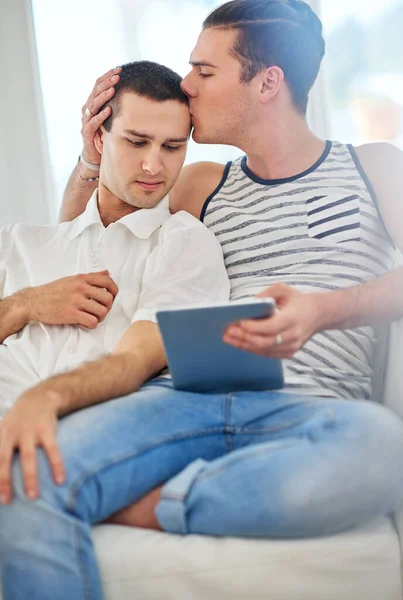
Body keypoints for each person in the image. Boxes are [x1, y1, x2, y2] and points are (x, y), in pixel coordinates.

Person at [1, 1, 403, 599]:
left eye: (203, 71)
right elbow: (87, 244)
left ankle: (154, 504)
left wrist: (323, 310)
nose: (186, 84)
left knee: (383, 447)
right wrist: (92, 155)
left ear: (268, 82)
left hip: (308, 410)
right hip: (181, 401)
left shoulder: (373, 166)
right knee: (22, 477)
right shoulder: (201, 183)